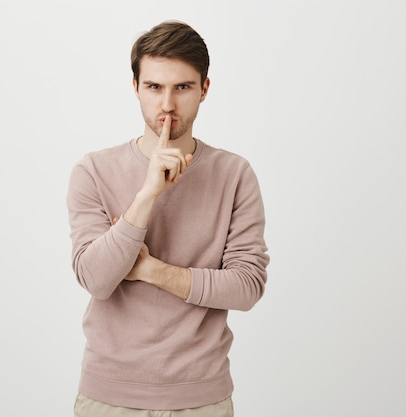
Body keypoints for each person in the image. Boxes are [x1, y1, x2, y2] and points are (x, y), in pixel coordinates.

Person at [66, 20, 269, 417]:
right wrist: (147, 195)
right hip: (109, 398)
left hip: (201, 399)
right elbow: (95, 278)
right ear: (135, 87)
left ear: (204, 89)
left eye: (183, 87)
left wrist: (150, 270)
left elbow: (246, 287)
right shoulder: (93, 170)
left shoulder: (235, 174)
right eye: (154, 87)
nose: (167, 105)